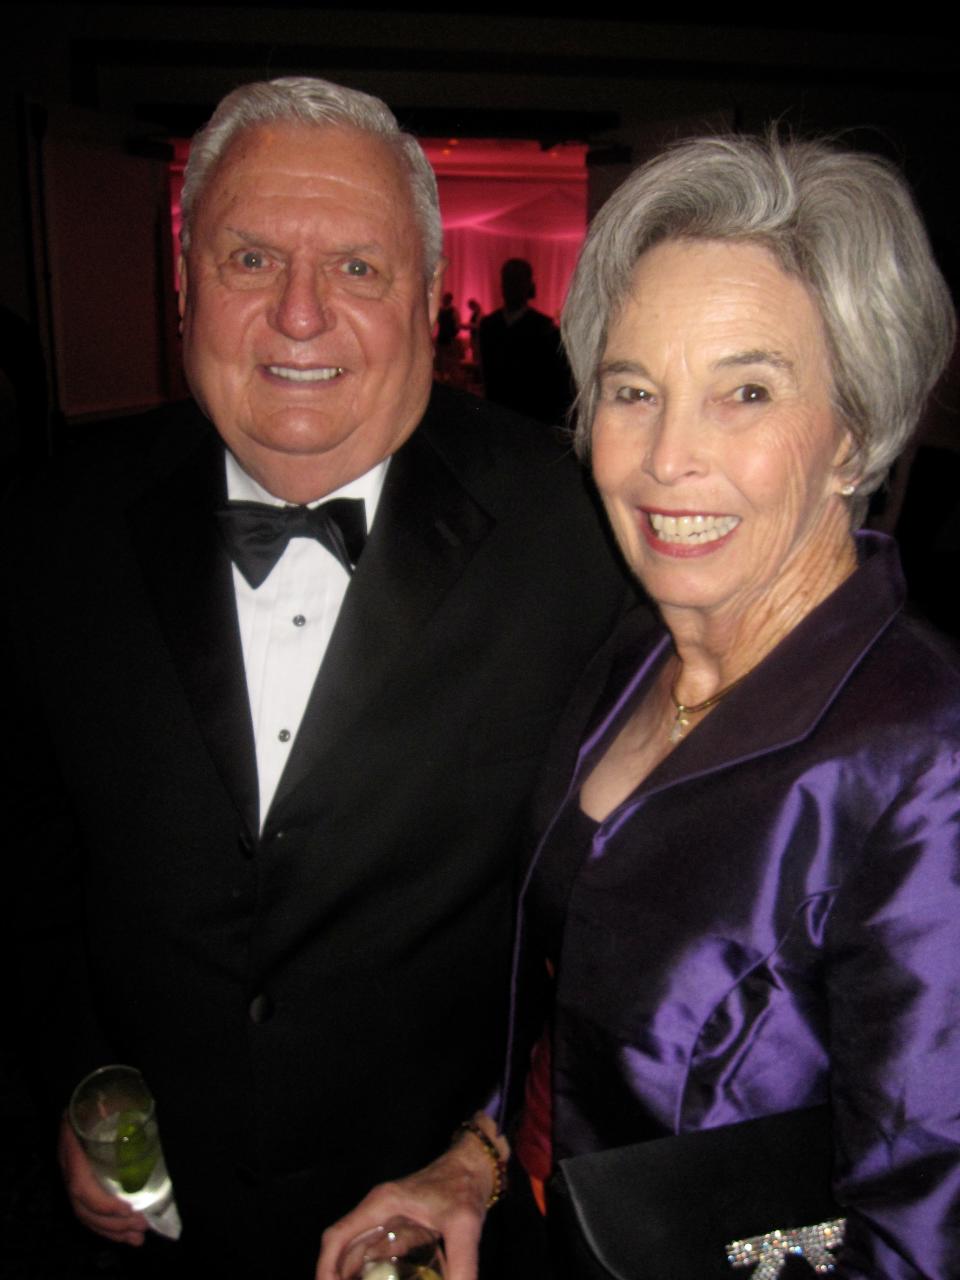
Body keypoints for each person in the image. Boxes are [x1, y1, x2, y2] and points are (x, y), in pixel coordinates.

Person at [5, 76, 631, 1278]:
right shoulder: (49, 533)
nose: (299, 317)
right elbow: (31, 850)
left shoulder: (577, 535)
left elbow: (631, 914)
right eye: (250, 258)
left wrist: (488, 1149)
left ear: (420, 291)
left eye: (357, 267)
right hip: (152, 1230)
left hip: (436, 1226)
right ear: (187, 279)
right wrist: (87, 1075)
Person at [317, 133, 960, 1279]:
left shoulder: (923, 757)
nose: (667, 457)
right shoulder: (629, 655)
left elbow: (918, 1239)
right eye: (633, 389)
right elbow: (568, 996)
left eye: (746, 391)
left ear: (852, 433)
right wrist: (477, 1157)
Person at [478, 259, 571, 425]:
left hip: (532, 420)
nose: (511, 286)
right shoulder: (488, 326)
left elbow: (555, 385)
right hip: (497, 416)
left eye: (517, 280)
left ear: (528, 285)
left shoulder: (545, 329)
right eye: (508, 280)